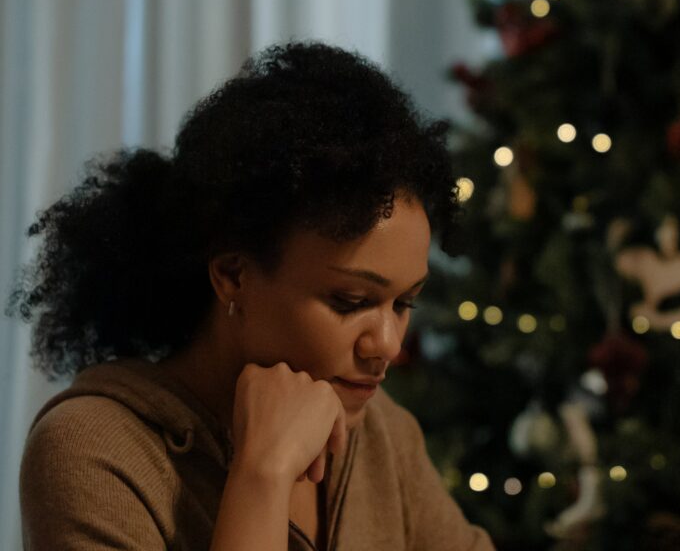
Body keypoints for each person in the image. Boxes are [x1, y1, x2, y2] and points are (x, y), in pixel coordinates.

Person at [8, 42, 496, 550]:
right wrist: (263, 474)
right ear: (233, 277)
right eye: (350, 302)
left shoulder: (381, 435)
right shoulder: (95, 452)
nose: (389, 346)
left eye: (403, 304)